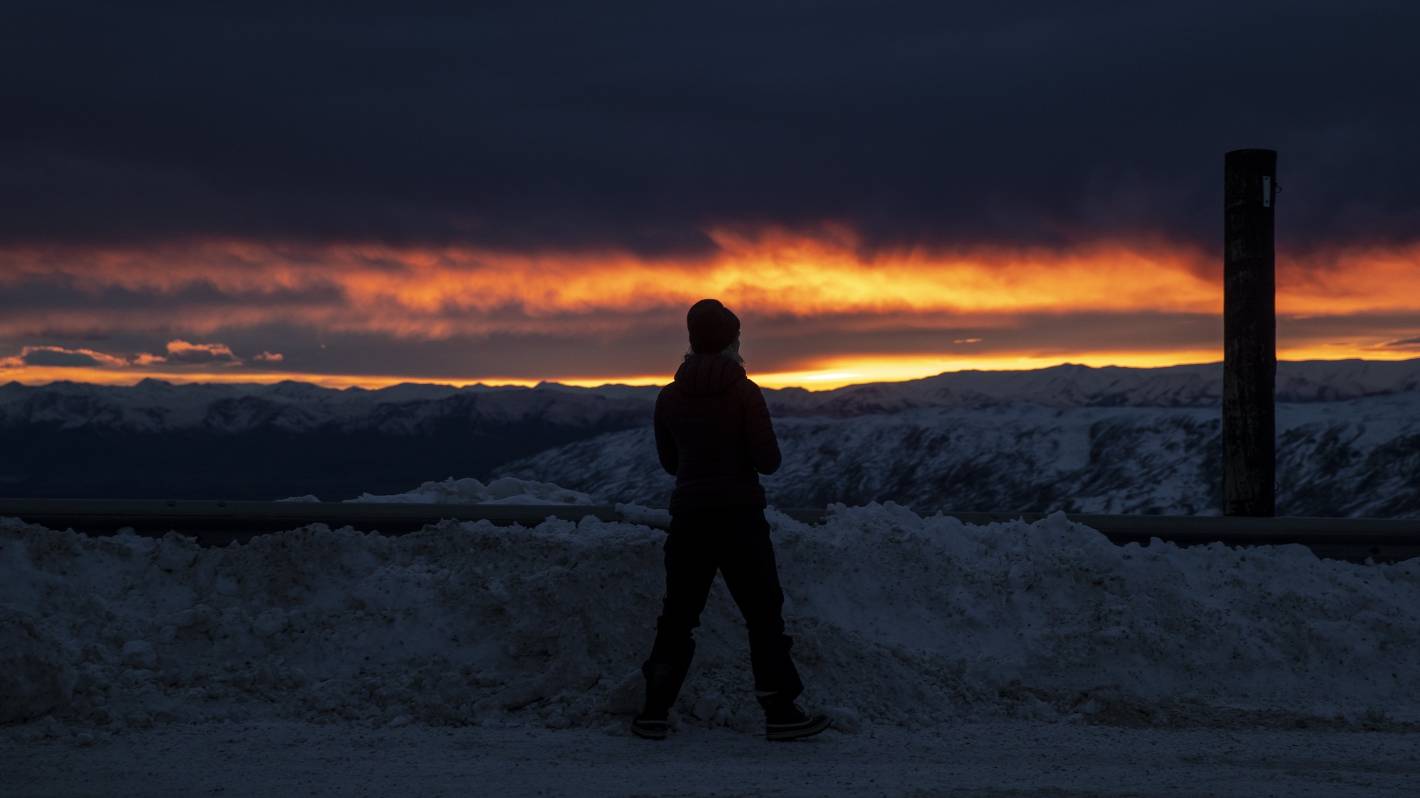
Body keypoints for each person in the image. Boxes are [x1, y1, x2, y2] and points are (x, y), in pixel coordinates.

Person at [632, 298, 830, 742]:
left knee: (678, 617)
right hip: (741, 518)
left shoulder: (668, 396)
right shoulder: (745, 392)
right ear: (731, 342)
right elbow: (769, 461)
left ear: (692, 340)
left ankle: (653, 711)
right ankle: (780, 711)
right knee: (763, 616)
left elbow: (670, 463)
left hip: (688, 519)